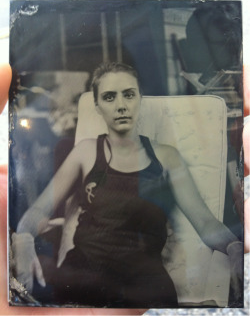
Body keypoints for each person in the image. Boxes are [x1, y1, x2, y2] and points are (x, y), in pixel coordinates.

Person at [9, 62, 245, 308]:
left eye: (128, 94)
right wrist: (24, 239)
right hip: (84, 278)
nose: (121, 105)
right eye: (109, 97)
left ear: (139, 99)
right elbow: (38, 210)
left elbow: (205, 222)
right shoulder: (86, 152)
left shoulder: (166, 157)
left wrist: (233, 246)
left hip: (145, 285)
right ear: (98, 106)